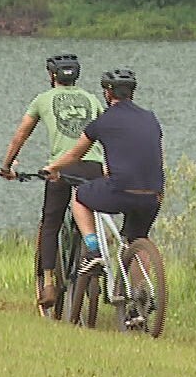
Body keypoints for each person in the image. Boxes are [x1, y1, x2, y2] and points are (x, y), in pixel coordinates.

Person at [0, 53, 107, 311]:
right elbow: (108, 132)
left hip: (61, 168)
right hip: (94, 167)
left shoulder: (43, 99)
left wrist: (7, 166)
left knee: (51, 223)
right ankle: (98, 264)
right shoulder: (92, 100)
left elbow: (20, 136)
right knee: (96, 217)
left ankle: (48, 283)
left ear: (51, 76)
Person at [43, 68, 165, 276]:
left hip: (121, 192)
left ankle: (93, 250)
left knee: (80, 197)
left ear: (108, 93)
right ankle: (142, 294)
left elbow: (74, 155)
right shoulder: (150, 118)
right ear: (132, 92)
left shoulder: (104, 121)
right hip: (153, 196)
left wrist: (52, 168)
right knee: (138, 240)